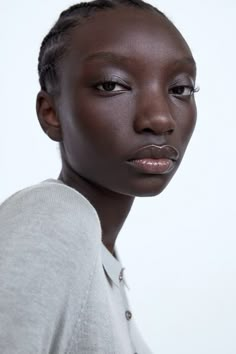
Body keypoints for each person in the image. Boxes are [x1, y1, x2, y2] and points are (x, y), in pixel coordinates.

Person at [0, 0, 198, 352]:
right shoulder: (53, 217)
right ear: (51, 113)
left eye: (180, 89)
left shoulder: (101, 257)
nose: (160, 118)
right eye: (111, 85)